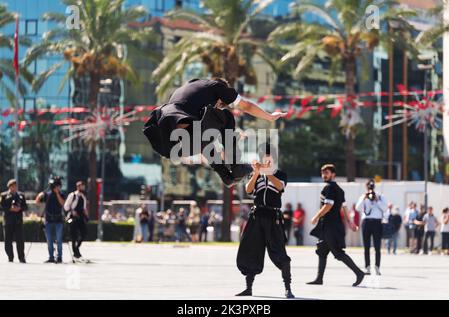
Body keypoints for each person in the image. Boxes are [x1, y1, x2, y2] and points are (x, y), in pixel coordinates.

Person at [143, 78, 286, 187]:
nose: (219, 107)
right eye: (220, 105)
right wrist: (269, 116)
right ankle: (236, 167)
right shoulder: (217, 87)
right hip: (184, 134)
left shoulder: (188, 90)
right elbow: (246, 106)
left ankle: (226, 175)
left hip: (172, 145)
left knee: (206, 140)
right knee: (227, 117)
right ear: (222, 96)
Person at [236, 143, 295, 299]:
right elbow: (249, 190)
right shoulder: (256, 175)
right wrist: (256, 173)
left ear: (273, 158)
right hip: (256, 216)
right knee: (251, 250)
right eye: (263, 155)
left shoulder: (281, 174)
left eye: (268, 155)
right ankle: (248, 288)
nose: (266, 158)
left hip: (273, 217)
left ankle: (288, 288)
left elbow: (279, 186)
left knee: (279, 252)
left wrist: (267, 172)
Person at [307, 164, 364, 287]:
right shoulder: (339, 189)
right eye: (322, 173)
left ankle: (359, 273)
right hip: (330, 225)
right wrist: (351, 222)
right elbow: (344, 207)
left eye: (326, 173)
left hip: (330, 226)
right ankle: (319, 279)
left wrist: (316, 217)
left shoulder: (330, 188)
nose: (324, 175)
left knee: (338, 253)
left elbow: (328, 205)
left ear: (333, 174)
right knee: (322, 251)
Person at [355, 179, 388, 275]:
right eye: (369, 187)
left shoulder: (381, 196)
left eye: (371, 187)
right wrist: (364, 198)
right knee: (366, 246)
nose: (370, 189)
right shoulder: (363, 196)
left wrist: (377, 200)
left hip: (377, 223)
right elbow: (357, 208)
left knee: (377, 247)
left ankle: (377, 267)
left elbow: (385, 209)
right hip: (366, 222)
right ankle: (367, 267)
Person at [35, 176, 66, 263]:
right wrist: (39, 195)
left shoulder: (62, 194)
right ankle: (51, 257)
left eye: (59, 186)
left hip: (58, 220)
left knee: (59, 239)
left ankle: (59, 257)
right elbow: (37, 202)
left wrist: (57, 194)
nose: (57, 188)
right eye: (56, 186)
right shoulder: (47, 194)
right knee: (49, 240)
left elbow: (63, 203)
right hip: (48, 221)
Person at [0, 179, 28, 263]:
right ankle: (10, 257)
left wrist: (19, 208)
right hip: (8, 221)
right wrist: (10, 209)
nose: (14, 188)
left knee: (20, 240)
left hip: (18, 221)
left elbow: (25, 206)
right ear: (9, 187)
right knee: (8, 241)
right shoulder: (4, 195)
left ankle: (21, 257)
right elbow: (1, 207)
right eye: (12, 186)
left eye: (15, 186)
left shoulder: (21, 195)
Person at [64, 181, 88, 258]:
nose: (83, 188)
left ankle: (77, 248)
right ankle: (75, 252)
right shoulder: (72, 195)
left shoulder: (83, 197)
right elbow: (66, 206)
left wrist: (86, 215)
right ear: (78, 187)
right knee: (74, 236)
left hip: (81, 217)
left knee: (83, 233)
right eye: (81, 186)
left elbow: (84, 208)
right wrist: (72, 211)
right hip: (73, 217)